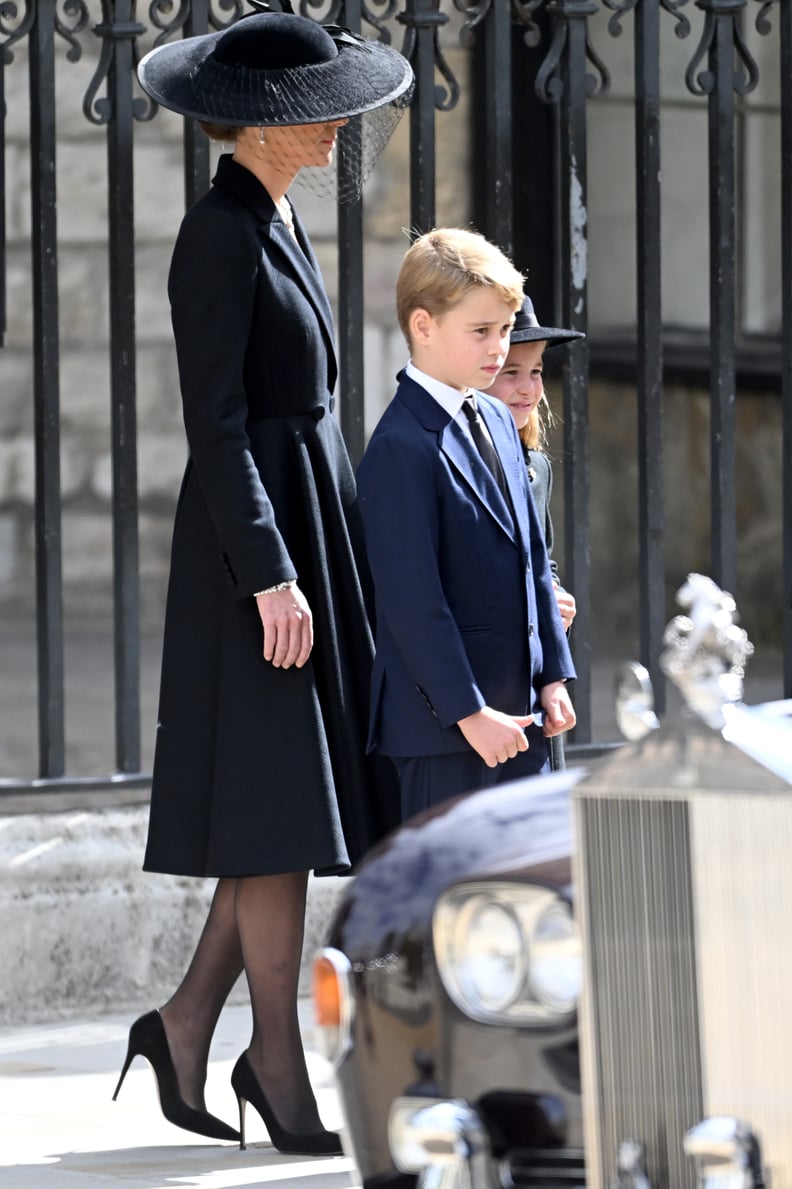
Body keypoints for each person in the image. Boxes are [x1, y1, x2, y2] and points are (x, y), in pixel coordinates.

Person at [112, 10, 412, 1155]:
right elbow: (219, 425)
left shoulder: (274, 217)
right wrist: (274, 575)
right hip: (259, 556)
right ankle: (271, 1064)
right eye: (316, 112)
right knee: (276, 812)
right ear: (265, 123)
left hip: (303, 536)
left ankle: (188, 1025)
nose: (337, 127)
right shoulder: (220, 235)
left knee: (278, 807)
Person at [356, 228, 577, 822]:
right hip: (445, 734)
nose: (499, 349)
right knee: (447, 908)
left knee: (517, 903)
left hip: (522, 719)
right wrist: (469, 714)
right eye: (481, 331)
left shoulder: (499, 421)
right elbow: (412, 604)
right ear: (423, 326)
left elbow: (532, 558)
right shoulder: (400, 446)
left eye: (504, 330)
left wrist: (553, 676)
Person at [487, 293, 584, 768]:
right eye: (512, 373)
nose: (529, 389)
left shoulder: (536, 467)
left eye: (537, 372)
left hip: (535, 678)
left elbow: (541, 561)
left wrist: (555, 595)